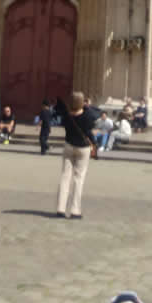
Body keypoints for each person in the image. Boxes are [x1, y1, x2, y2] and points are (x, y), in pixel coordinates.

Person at [54, 91, 99, 219]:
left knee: (65, 177)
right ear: (82, 102)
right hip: (82, 149)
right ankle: (75, 211)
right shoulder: (87, 116)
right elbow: (96, 115)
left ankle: (60, 209)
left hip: (68, 146)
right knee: (78, 179)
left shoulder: (66, 116)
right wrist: (87, 106)